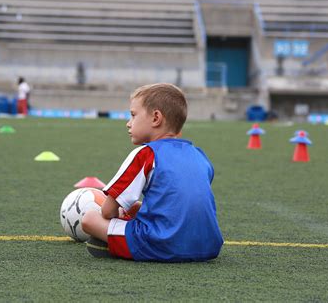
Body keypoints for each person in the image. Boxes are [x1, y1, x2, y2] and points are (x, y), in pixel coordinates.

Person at [81, 83, 224, 262]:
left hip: (159, 245)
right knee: (136, 207)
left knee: (90, 218)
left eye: (133, 115)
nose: (128, 123)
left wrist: (116, 216)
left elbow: (108, 211)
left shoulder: (146, 154)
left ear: (156, 118)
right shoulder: (200, 155)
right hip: (208, 246)